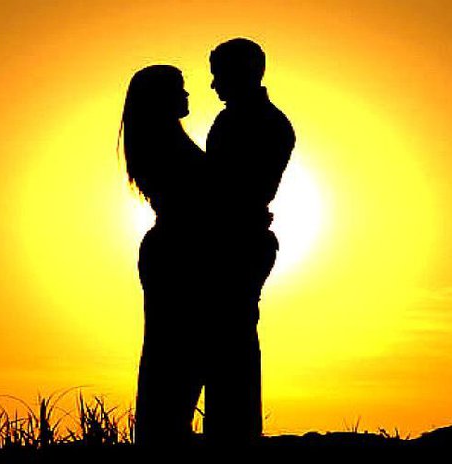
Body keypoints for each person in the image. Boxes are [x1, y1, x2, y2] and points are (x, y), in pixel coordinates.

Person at [203, 38, 295, 444]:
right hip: (238, 235)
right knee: (227, 337)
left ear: (244, 73)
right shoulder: (241, 119)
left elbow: (231, 186)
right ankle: (230, 432)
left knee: (232, 338)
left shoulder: (260, 122)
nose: (213, 85)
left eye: (219, 75)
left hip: (237, 239)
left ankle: (234, 435)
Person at [120, 64, 205, 446]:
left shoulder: (166, 141)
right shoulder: (165, 146)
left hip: (173, 246)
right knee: (175, 350)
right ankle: (165, 437)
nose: (186, 95)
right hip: (177, 250)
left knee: (176, 348)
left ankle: (167, 434)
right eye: (179, 89)